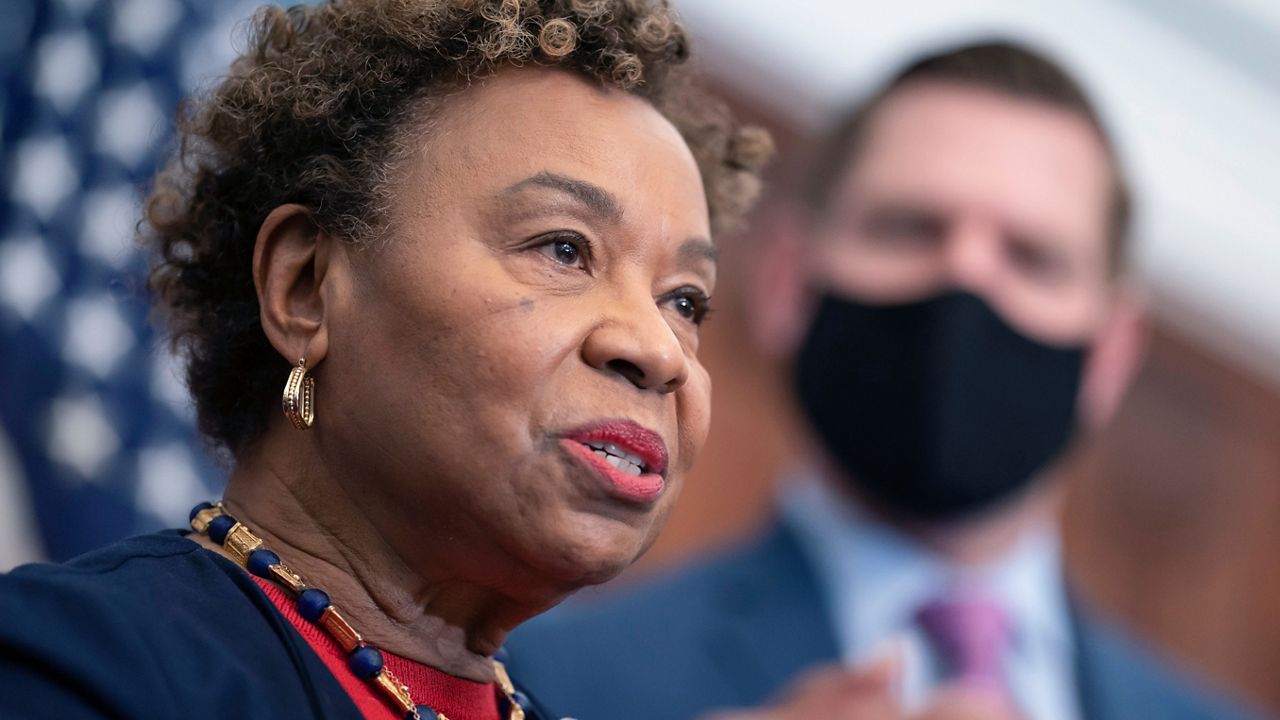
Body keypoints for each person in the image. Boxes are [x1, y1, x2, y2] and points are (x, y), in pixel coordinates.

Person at [0, 1, 774, 718]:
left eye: (686, 302)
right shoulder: (72, 664)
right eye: (564, 249)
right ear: (304, 289)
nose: (657, 350)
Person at [506, 41, 1264, 720]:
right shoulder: (547, 686)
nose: (965, 276)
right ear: (786, 284)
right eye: (910, 228)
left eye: (1032, 256)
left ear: (1111, 353)